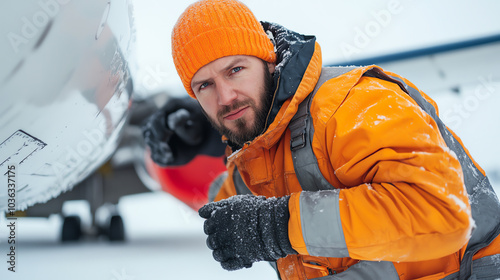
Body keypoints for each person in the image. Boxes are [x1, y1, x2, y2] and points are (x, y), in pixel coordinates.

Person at [142, 0, 500, 279]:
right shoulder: (255, 154)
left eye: (235, 70)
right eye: (205, 86)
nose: (226, 97)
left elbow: (444, 213)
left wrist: (280, 226)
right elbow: (227, 215)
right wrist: (206, 146)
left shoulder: (352, 105)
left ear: (268, 62)